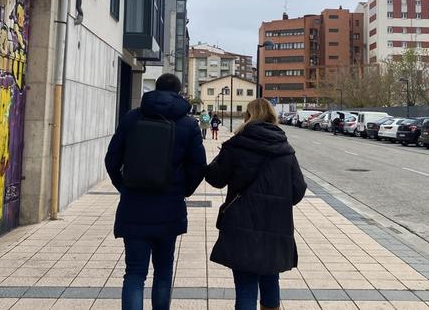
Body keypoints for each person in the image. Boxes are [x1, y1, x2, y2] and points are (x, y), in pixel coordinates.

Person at [105, 73, 207, 310]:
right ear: (179, 92)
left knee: (134, 273)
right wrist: (183, 190)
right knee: (163, 271)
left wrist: (124, 186)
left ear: (154, 89)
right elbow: (198, 166)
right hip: (169, 207)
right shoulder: (188, 124)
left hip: (134, 206)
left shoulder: (131, 118)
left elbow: (111, 159)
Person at [205, 98, 306, 310]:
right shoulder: (285, 150)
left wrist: (216, 161)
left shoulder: (237, 145)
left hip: (241, 221)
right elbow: (298, 190)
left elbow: (215, 179)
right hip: (276, 224)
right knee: (270, 279)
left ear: (248, 116)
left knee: (245, 284)